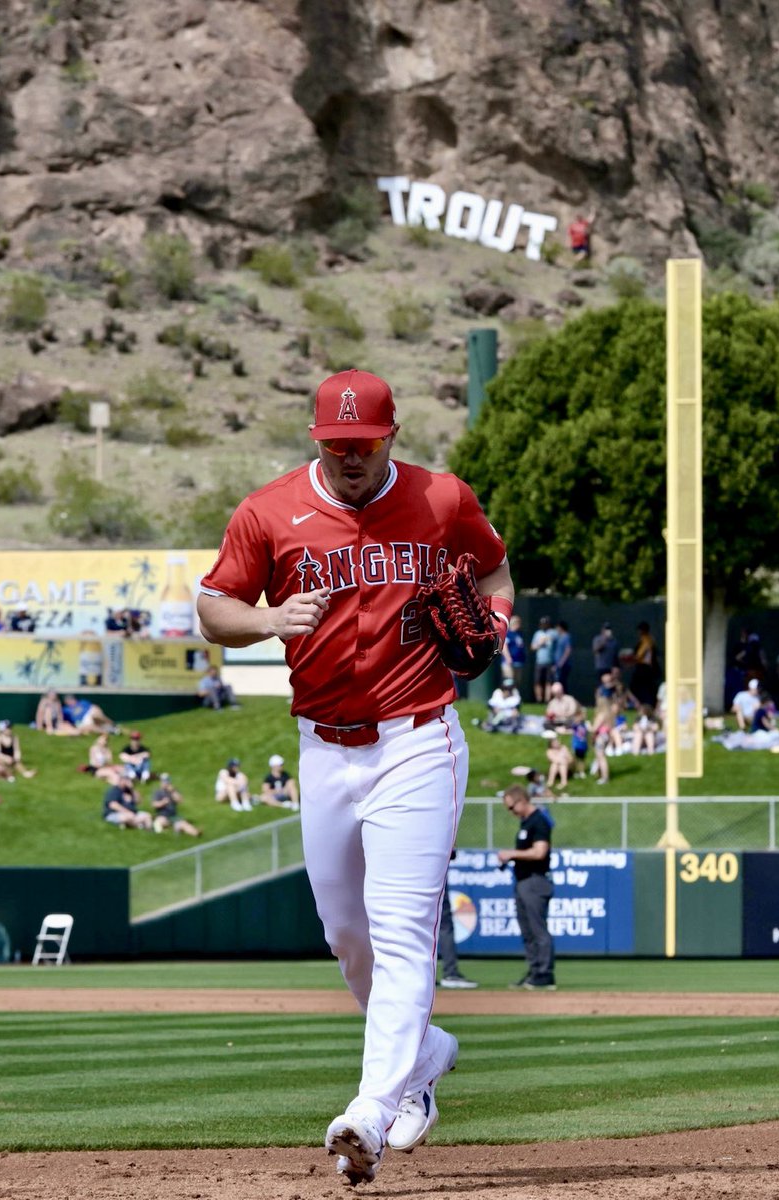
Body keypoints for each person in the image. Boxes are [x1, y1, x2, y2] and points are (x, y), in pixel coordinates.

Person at [196, 367, 514, 1186]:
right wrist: (265, 619)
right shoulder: (269, 511)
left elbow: (492, 575)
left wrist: (498, 626)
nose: (348, 459)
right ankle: (426, 1054)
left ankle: (369, 1113)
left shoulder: (441, 499)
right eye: (335, 446)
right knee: (347, 938)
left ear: (389, 438)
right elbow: (212, 607)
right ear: (316, 440)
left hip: (418, 737)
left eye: (362, 446)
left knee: (404, 932)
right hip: (323, 746)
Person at [498, 783, 555, 990]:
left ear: (521, 800)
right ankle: (534, 971)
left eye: (512, 807)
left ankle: (545, 974)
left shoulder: (538, 821)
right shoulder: (526, 822)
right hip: (523, 881)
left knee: (538, 929)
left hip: (535, 880)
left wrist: (512, 854)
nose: (511, 811)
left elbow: (540, 852)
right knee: (527, 931)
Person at [437, 853, 478, 989]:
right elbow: (451, 851)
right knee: (444, 926)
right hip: (432, 876)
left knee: (414, 924)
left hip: (405, 876)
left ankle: (418, 974)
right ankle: (450, 973)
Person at [629, 621, 660, 710]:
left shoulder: (646, 640)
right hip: (646, 668)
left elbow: (639, 655)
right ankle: (645, 704)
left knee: (639, 687)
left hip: (644, 668)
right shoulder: (648, 639)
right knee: (646, 687)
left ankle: (645, 704)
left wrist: (630, 659)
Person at [530, 616, 557, 702]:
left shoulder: (553, 632)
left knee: (549, 681)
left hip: (550, 661)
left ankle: (547, 699)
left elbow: (556, 638)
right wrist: (540, 643)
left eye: (545, 624)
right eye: (542, 624)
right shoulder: (537, 634)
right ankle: (539, 699)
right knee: (537, 681)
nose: (544, 625)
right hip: (539, 661)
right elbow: (532, 647)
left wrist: (547, 638)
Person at [501, 614, 527, 694]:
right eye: (518, 623)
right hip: (509, 661)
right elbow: (504, 646)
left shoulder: (519, 634)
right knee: (509, 679)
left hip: (518, 661)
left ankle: (515, 696)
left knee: (517, 680)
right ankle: (507, 695)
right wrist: (508, 657)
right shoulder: (508, 634)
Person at [552, 619, 573, 692]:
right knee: (558, 681)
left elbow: (568, 650)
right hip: (558, 664)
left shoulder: (566, 636)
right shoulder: (559, 637)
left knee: (562, 682)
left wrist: (561, 662)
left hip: (564, 665)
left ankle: (564, 698)